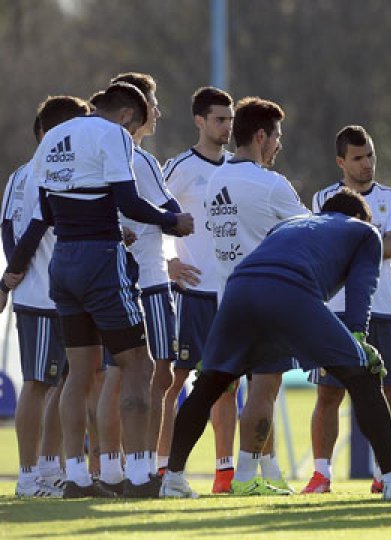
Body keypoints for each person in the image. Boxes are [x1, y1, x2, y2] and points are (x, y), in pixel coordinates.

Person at [161, 189, 391, 501]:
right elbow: (363, 289)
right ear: (361, 217)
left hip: (239, 288)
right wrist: (359, 339)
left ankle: (172, 479)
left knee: (210, 383)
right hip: (290, 288)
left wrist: (219, 351)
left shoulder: (291, 223)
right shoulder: (364, 231)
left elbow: (262, 262)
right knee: (363, 375)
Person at [30, 82, 193, 498]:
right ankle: (138, 477)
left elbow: (45, 211)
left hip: (62, 260)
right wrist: (173, 222)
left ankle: (78, 478)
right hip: (100, 260)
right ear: (126, 117)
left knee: (79, 374)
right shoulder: (113, 134)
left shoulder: (51, 138)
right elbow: (129, 200)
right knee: (136, 363)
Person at [205, 96, 308, 495]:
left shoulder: (216, 179)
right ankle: (247, 478)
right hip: (265, 301)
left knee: (241, 391)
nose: (278, 145)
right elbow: (310, 231)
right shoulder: (270, 185)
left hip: (226, 300)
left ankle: (268, 470)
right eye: (276, 136)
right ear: (261, 136)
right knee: (264, 392)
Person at [304, 126, 391, 495]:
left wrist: (354, 243)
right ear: (341, 162)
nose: (367, 165)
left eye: (370, 156)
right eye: (358, 158)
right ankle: (321, 475)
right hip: (334, 310)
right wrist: (369, 241)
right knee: (328, 394)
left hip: (383, 309)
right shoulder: (322, 198)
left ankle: (385, 473)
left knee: (388, 394)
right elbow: (320, 246)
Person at [95, 71, 184, 493]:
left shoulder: (104, 153)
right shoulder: (136, 157)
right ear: (134, 110)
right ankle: (144, 469)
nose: (158, 111)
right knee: (147, 376)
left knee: (118, 378)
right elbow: (169, 210)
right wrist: (177, 222)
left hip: (124, 276)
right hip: (144, 280)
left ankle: (114, 468)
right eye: (152, 101)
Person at [3, 97, 89, 497]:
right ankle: (26, 476)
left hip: (64, 295)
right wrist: (12, 275)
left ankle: (49, 468)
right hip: (41, 294)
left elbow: (7, 225)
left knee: (63, 384)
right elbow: (29, 227)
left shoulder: (23, 174)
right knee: (38, 384)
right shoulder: (36, 172)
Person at [160, 87, 239, 492]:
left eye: (230, 118)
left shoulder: (236, 169)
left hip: (230, 294)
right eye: (219, 119)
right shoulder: (179, 168)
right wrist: (168, 261)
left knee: (227, 384)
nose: (227, 126)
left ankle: (224, 474)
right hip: (191, 293)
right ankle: (162, 467)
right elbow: (149, 215)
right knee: (174, 381)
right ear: (199, 121)